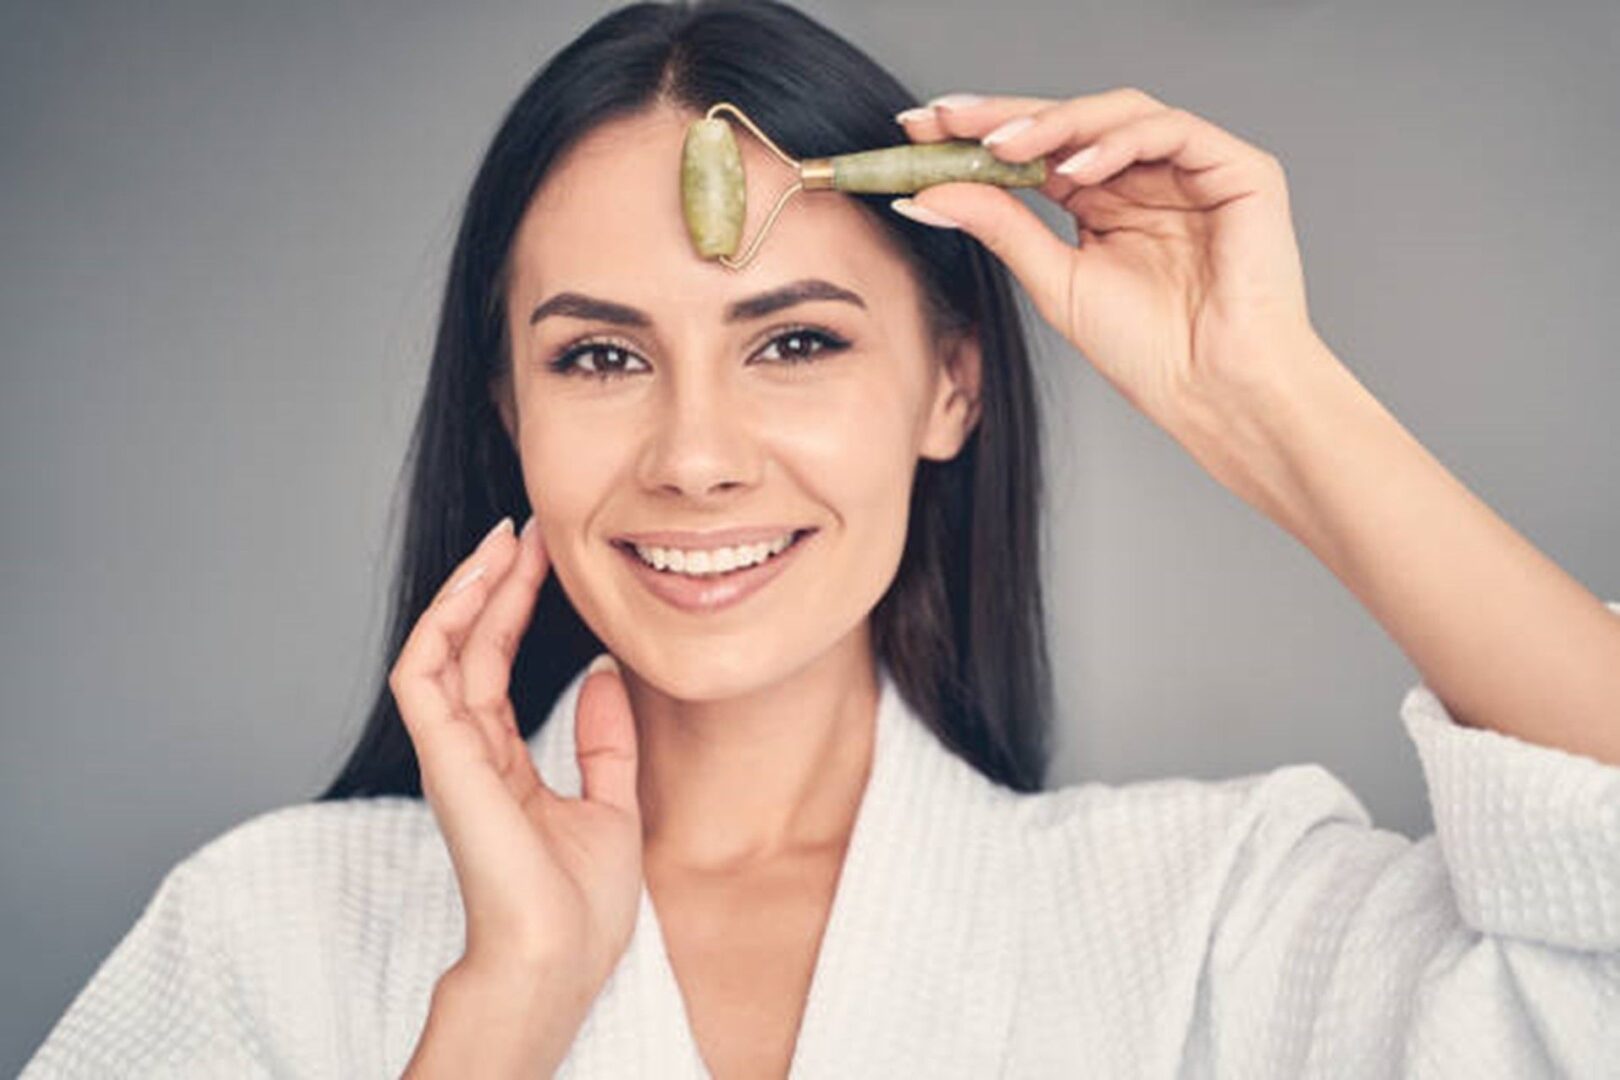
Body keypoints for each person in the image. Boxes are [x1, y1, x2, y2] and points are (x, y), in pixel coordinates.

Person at [24, 1, 1620, 1077]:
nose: (697, 456)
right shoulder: (267, 926)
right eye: (599, 356)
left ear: (952, 383)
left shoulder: (1215, 913)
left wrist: (1265, 398)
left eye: (794, 343)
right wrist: (501, 1015)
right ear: (506, 409)